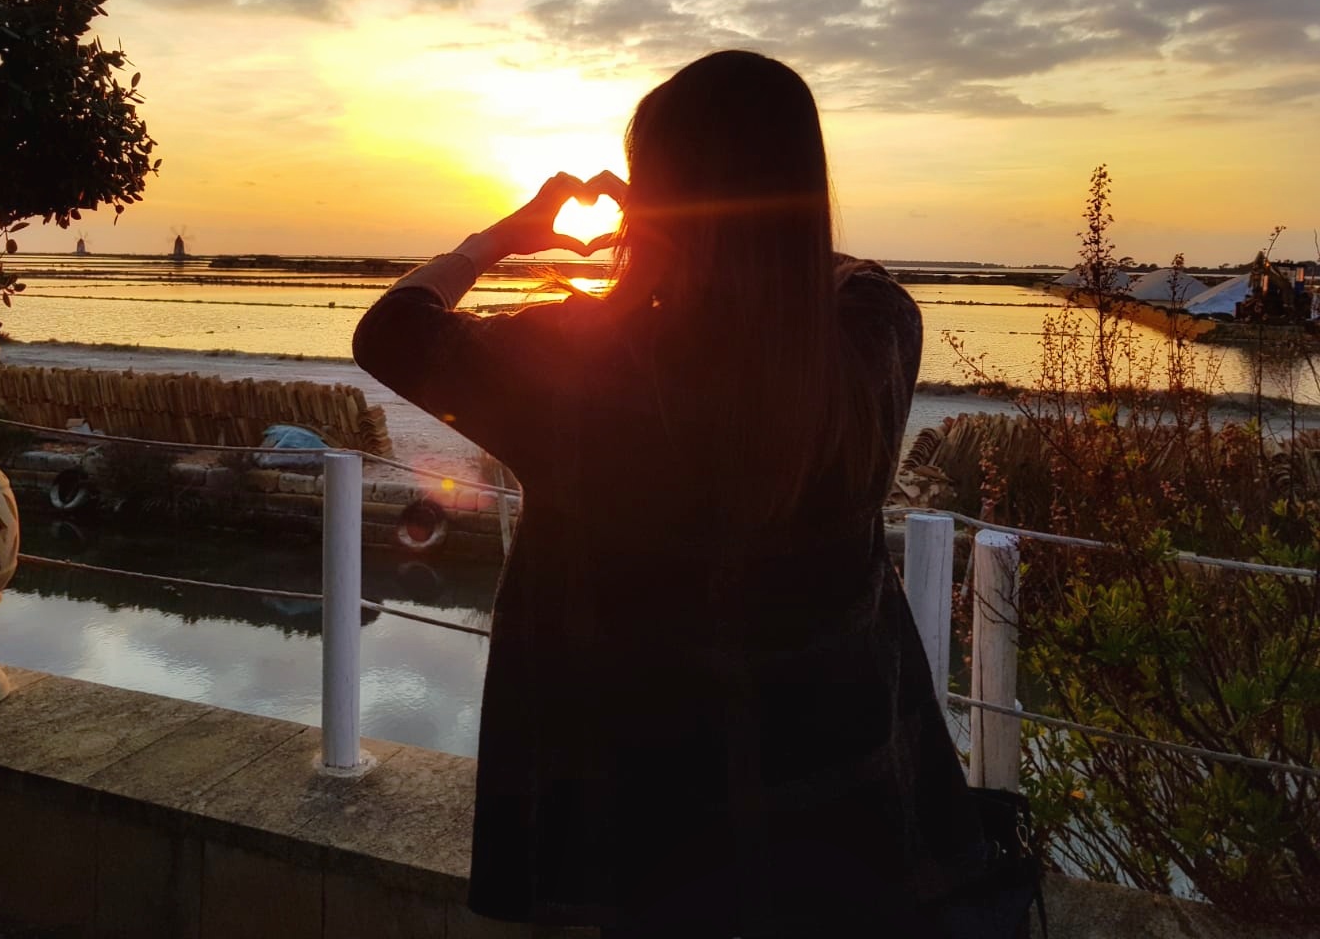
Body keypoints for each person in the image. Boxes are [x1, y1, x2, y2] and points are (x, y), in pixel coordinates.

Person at [352, 51, 985, 937]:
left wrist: (499, 238)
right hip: (839, 831)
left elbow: (391, 332)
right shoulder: (872, 343)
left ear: (653, 203)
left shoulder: (583, 367)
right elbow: (848, 275)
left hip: (635, 841)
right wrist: (763, 228)